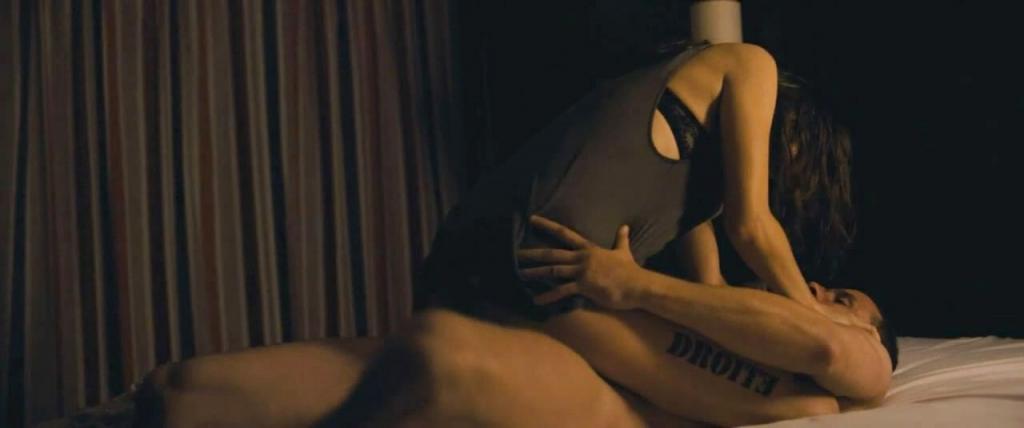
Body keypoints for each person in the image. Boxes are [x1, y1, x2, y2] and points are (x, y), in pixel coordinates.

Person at [133, 41, 897, 426]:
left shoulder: (695, 187)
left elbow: (711, 288)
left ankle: (153, 403)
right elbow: (755, 228)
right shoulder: (750, 66)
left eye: (843, 295)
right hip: (543, 264)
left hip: (480, 257)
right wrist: (811, 313)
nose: (819, 287)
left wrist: (658, 291)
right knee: (795, 404)